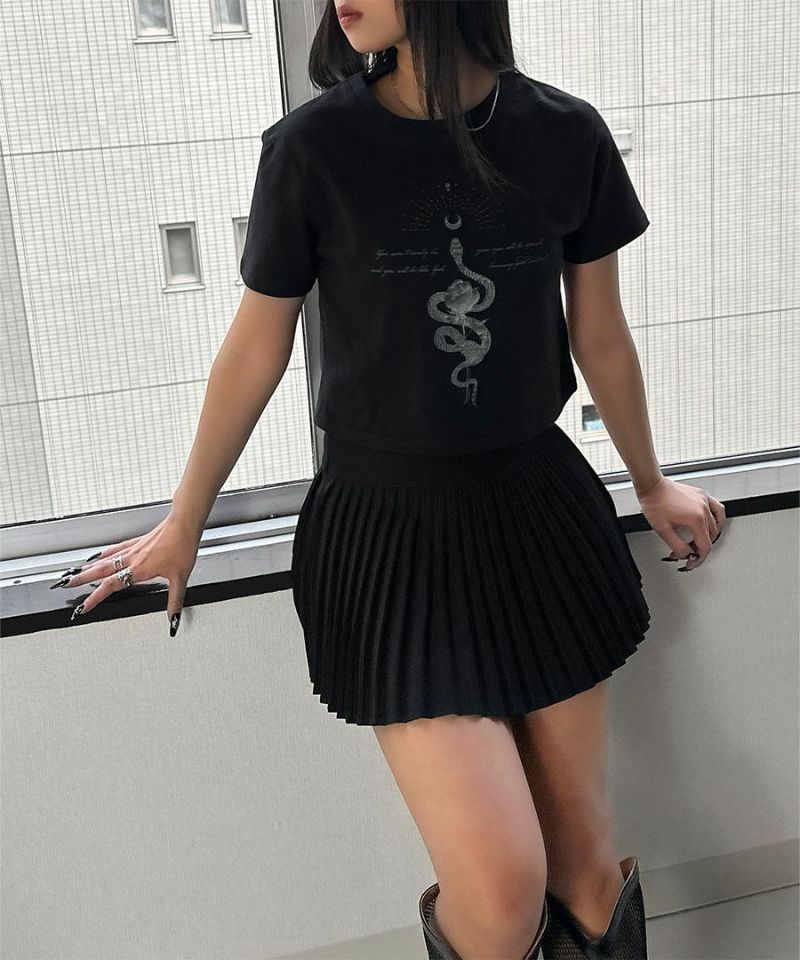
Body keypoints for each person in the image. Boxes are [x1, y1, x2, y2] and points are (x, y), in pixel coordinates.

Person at [53, 2, 727, 958]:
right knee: (502, 892)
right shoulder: (312, 148)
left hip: (539, 519)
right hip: (390, 538)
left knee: (586, 876)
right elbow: (255, 348)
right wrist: (184, 523)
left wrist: (650, 482)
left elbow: (601, 334)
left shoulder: (564, 133)